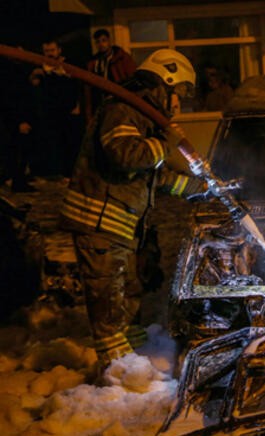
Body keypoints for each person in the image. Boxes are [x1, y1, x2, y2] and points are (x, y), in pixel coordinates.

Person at [60, 49, 208, 368]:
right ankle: (118, 378)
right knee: (109, 308)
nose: (179, 103)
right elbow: (125, 155)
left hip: (119, 224)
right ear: (163, 83)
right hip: (99, 221)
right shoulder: (123, 108)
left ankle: (140, 362)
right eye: (178, 92)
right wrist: (167, 143)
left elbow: (154, 175)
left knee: (128, 299)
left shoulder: (141, 117)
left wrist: (201, 188)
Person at [36, 39, 82, 179]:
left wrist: (77, 104)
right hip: (50, 112)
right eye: (46, 51)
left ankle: (70, 172)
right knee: (54, 142)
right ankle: (57, 171)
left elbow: (77, 86)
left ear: (59, 50)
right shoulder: (41, 68)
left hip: (68, 110)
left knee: (70, 142)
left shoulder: (68, 66)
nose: (49, 54)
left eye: (52, 50)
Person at [85, 29, 137, 122]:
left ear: (109, 41)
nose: (101, 44)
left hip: (118, 100)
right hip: (101, 102)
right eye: (98, 42)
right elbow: (89, 87)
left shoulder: (122, 58)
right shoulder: (94, 62)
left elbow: (132, 78)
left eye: (104, 40)